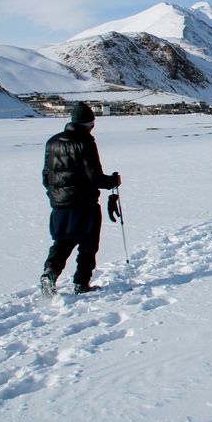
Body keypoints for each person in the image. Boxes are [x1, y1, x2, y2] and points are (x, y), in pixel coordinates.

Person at [40, 102, 120, 296]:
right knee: (88, 244)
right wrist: (112, 182)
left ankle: (50, 271)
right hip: (84, 203)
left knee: (62, 241)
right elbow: (94, 176)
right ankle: (81, 284)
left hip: (59, 204)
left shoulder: (53, 141)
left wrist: (55, 194)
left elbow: (46, 175)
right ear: (88, 123)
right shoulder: (85, 141)